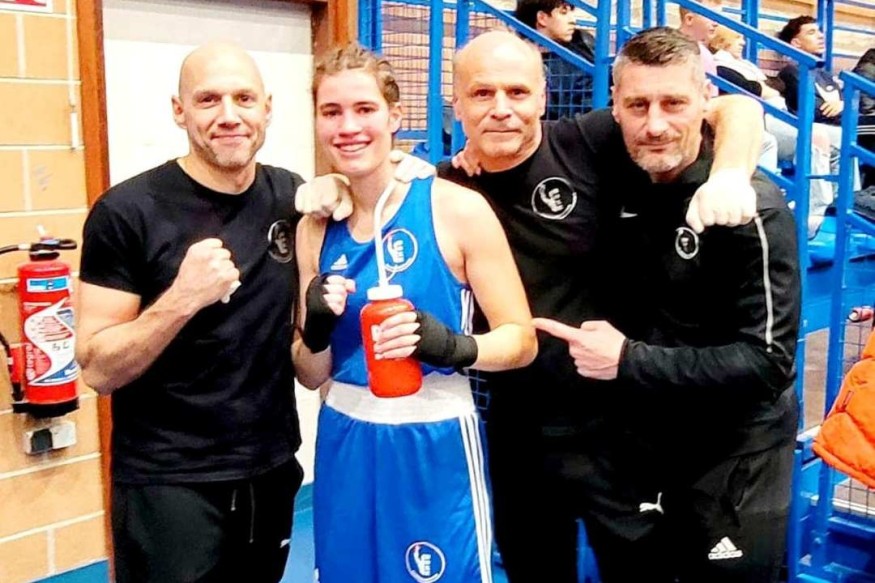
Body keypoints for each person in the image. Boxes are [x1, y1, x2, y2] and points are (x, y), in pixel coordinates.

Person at [297, 30, 766, 583]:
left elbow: (734, 108)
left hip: (621, 424)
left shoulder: (587, 141)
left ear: (543, 97)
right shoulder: (445, 184)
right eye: (482, 93)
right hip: (516, 428)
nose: (501, 109)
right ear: (457, 104)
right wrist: (335, 181)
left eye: (517, 92)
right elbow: (376, 168)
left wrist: (729, 173)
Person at [535, 27, 800, 582]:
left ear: (705, 99)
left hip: (734, 460)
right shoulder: (618, 171)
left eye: (674, 103)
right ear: (615, 106)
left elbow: (767, 363)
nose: (655, 124)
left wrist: (628, 361)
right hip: (642, 454)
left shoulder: (751, 208)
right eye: (638, 105)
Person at [294, 43, 537, 583]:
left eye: (364, 109)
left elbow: (522, 340)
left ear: (395, 116)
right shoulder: (314, 225)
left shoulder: (456, 207)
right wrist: (315, 332)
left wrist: (454, 346)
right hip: (344, 435)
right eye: (332, 112)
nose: (348, 127)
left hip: (434, 435)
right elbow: (310, 374)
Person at [76, 43, 305, 583]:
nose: (229, 116)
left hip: (270, 468)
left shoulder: (290, 195)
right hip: (170, 481)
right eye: (207, 100)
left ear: (267, 107)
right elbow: (98, 369)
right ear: (179, 111)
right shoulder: (127, 212)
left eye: (243, 98)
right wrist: (182, 299)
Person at [710, 24, 836, 236]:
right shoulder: (720, 64)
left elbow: (776, 87)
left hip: (779, 114)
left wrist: (765, 88)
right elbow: (754, 89)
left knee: (844, 138)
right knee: (814, 137)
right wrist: (763, 87)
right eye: (737, 38)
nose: (743, 42)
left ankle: (841, 203)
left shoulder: (745, 64)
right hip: (764, 116)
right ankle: (811, 213)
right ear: (722, 41)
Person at [777, 15, 875, 155]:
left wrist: (844, 105)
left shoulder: (824, 74)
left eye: (819, 31)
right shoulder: (791, 72)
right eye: (811, 32)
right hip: (826, 127)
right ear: (796, 43)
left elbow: (844, 103)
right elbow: (817, 110)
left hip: (847, 122)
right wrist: (846, 106)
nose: (821, 36)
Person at [514, 0, 597, 119]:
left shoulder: (582, 44)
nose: (573, 20)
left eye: (572, 12)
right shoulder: (518, 60)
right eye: (564, 13)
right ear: (542, 18)